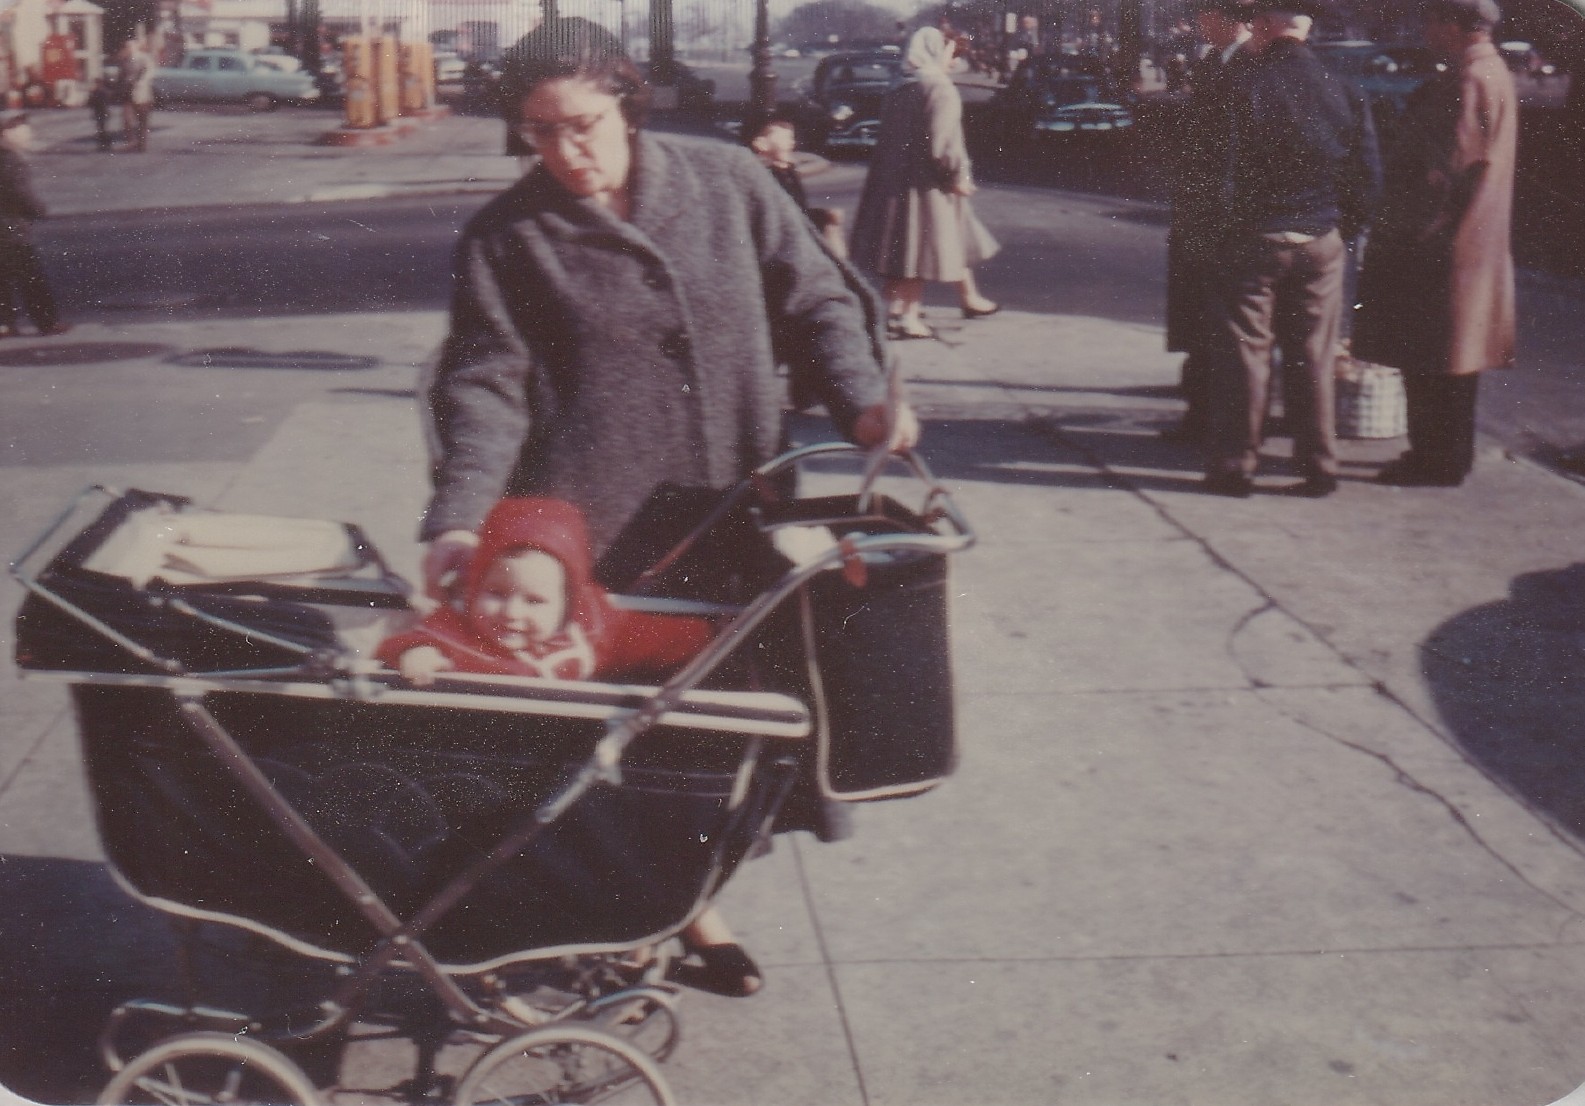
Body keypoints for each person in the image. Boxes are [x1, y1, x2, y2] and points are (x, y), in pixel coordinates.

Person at [418, 39, 917, 996]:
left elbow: (818, 300)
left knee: (722, 725)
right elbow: (483, 387)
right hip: (590, 532)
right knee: (618, 731)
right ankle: (662, 915)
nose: (566, 152)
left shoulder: (728, 181)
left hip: (732, 506)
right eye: (539, 133)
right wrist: (459, 518)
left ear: (629, 106)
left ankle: (674, 903)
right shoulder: (506, 236)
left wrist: (861, 400)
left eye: (584, 126)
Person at [1203, 0, 1380, 498]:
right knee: (1315, 355)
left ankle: (1236, 466)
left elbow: (1217, 173)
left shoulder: (1239, 87)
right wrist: (1339, 230)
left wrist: (1223, 232)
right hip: (1320, 238)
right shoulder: (1344, 88)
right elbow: (1367, 175)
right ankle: (1320, 466)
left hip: (1255, 237)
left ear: (1263, 26)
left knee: (1245, 354)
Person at [1352, 0, 1517, 488]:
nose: (1425, 31)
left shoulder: (1466, 81)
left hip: (1439, 243)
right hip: (1472, 241)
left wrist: (1399, 230)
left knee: (1428, 358)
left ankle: (1433, 460)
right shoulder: (1492, 73)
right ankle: (1448, 457)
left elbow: (1442, 171)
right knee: (1454, 360)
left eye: (1430, 21)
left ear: (1453, 25)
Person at [848, 26, 1001, 340]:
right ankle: (907, 317)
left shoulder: (899, 88)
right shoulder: (940, 88)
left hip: (893, 180)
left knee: (910, 246)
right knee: (918, 249)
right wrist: (958, 176)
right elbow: (943, 144)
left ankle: (896, 310)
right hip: (926, 183)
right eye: (950, 53)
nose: (954, 61)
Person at [1162, 0, 1255, 444]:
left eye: (1204, 13)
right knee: (1199, 318)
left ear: (1228, 17)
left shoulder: (1251, 66)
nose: (1198, 21)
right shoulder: (1210, 63)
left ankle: (1215, 421)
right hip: (1197, 214)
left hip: (1224, 217)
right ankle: (1199, 412)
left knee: (1222, 323)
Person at [0, 112, 68, 338]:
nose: (26, 133)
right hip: (12, 230)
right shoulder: (10, 161)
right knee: (31, 277)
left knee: (2, 279)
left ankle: (4, 324)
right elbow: (20, 193)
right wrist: (39, 210)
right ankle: (46, 322)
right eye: (17, 127)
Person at [750, 118, 847, 259]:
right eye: (783, 138)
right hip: (780, 226)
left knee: (832, 218)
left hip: (796, 218)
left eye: (791, 138)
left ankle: (839, 263)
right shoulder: (764, 172)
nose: (790, 143)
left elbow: (799, 204)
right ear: (762, 144)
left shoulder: (788, 171)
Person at [120, 41, 154, 153]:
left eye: (130, 46)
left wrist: (141, 82)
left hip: (142, 93)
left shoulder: (144, 58)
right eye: (127, 47)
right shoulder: (125, 60)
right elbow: (122, 75)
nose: (128, 48)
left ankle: (141, 144)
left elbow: (150, 72)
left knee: (142, 120)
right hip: (128, 93)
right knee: (127, 119)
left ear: (136, 47)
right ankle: (131, 142)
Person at [87, 78, 113, 152]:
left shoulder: (101, 91)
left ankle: (105, 144)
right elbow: (91, 102)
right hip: (99, 112)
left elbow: (94, 102)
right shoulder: (99, 91)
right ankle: (104, 144)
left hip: (102, 111)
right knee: (101, 128)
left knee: (102, 128)